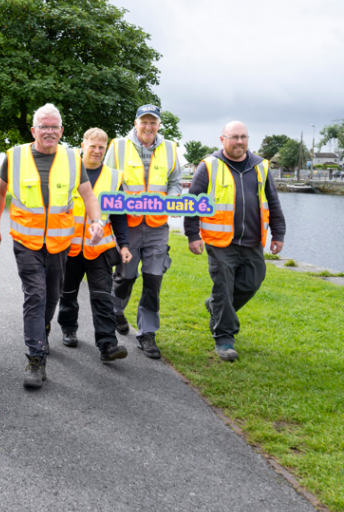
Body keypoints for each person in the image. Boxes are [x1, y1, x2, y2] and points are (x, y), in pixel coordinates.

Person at [0, 104, 103, 390]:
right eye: (44, 126)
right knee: (35, 295)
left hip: (59, 242)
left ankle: (42, 328)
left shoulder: (72, 159)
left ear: (61, 131)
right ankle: (35, 358)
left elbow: (88, 195)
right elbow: (0, 193)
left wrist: (96, 221)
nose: (49, 131)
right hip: (26, 242)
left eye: (54, 126)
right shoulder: (14, 157)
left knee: (52, 296)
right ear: (34, 130)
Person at [184, 121, 285, 361]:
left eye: (243, 137)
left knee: (252, 282)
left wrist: (278, 233)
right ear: (223, 139)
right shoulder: (209, 166)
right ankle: (224, 338)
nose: (239, 141)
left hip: (252, 241)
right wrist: (192, 235)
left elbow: (272, 201)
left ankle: (215, 306)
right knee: (224, 287)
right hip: (220, 242)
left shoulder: (261, 166)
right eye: (234, 137)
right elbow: (193, 203)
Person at [105, 105, 182, 359]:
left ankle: (147, 334)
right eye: (144, 121)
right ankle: (116, 310)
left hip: (158, 226)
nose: (149, 126)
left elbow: (175, 183)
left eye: (153, 122)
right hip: (127, 225)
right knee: (125, 276)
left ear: (159, 125)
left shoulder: (170, 148)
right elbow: (107, 181)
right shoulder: (118, 147)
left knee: (153, 279)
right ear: (136, 123)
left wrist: (173, 197)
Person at [57, 128, 133, 361]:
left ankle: (107, 344)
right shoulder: (66, 172)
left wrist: (124, 245)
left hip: (99, 249)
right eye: (93, 146)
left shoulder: (114, 177)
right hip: (69, 247)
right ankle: (69, 328)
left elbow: (119, 215)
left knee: (102, 296)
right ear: (83, 146)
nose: (97, 151)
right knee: (67, 293)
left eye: (102, 147)